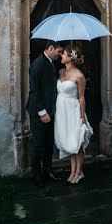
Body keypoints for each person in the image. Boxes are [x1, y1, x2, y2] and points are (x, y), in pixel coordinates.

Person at [54, 42, 93, 185]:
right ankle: (72, 171)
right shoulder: (61, 72)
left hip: (73, 110)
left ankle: (79, 172)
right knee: (69, 142)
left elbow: (81, 97)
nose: (61, 55)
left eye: (63, 53)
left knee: (77, 141)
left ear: (70, 57)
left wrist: (82, 116)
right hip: (62, 111)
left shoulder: (79, 76)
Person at [27, 41, 64, 187]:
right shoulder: (37, 64)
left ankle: (48, 171)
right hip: (39, 113)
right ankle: (36, 176)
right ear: (50, 48)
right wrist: (42, 113)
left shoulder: (51, 63)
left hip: (51, 112)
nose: (60, 55)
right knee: (38, 145)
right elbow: (34, 91)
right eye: (59, 52)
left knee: (48, 144)